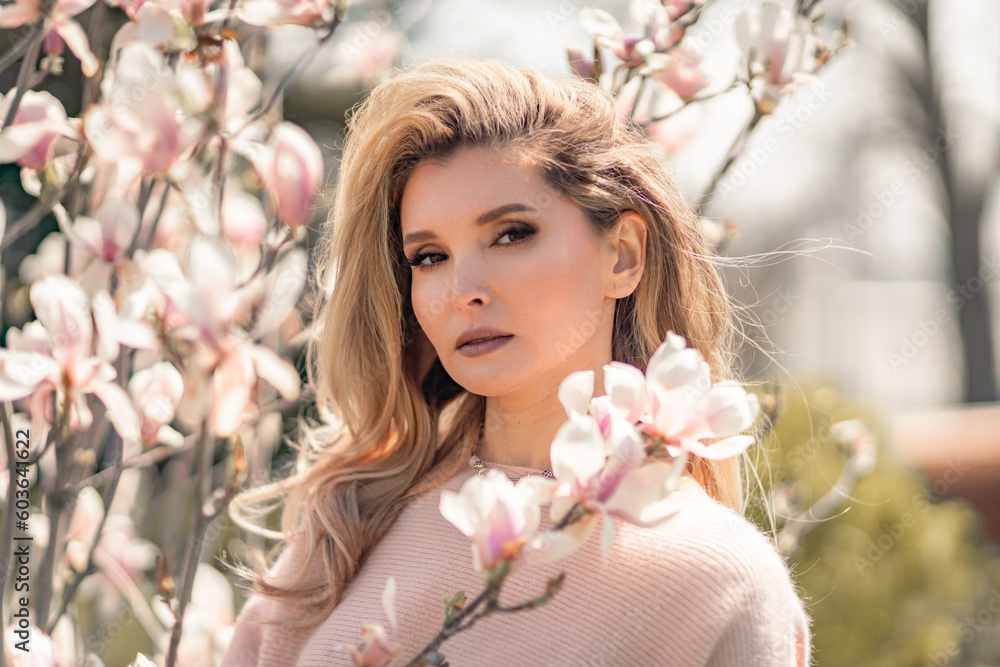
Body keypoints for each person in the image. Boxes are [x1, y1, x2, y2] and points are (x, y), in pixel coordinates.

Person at [221, 55, 813, 666]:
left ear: (623, 256)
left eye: (511, 234)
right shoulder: (347, 532)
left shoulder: (716, 582)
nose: (462, 289)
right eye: (429, 256)